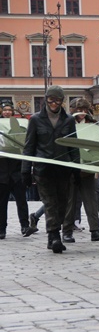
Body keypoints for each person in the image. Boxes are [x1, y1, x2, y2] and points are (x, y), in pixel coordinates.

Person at [22, 86, 80, 253]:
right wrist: (25, 170)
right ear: (45, 99)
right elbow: (29, 147)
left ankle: (53, 235)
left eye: (58, 101)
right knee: (50, 203)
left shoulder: (68, 120)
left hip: (63, 168)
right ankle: (54, 236)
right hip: (43, 169)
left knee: (62, 205)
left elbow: (73, 146)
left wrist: (76, 167)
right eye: (51, 100)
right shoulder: (35, 120)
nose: (54, 104)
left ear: (62, 101)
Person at [61, 98, 99, 243]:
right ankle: (67, 231)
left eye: (84, 110)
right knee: (70, 202)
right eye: (79, 109)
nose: (82, 113)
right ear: (73, 110)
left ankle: (95, 230)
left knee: (91, 200)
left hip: (87, 167)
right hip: (70, 168)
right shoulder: (66, 124)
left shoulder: (92, 125)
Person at [0, 100, 30, 239]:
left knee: (21, 201)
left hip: (17, 169)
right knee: (1, 202)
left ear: (12, 112)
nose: (7, 112)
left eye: (9, 110)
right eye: (4, 109)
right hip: (2, 170)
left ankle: (25, 226)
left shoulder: (21, 125)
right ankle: (1, 229)